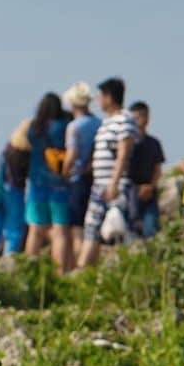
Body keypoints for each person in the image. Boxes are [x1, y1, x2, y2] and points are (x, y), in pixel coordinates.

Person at [78, 78, 138, 269]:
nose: (98, 99)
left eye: (101, 95)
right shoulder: (105, 123)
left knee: (118, 231)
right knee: (91, 230)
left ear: (109, 97)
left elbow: (124, 152)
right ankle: (83, 272)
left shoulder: (125, 120)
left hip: (115, 186)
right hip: (99, 185)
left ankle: (122, 273)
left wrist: (114, 182)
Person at [24, 92, 72, 271]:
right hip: (59, 185)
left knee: (35, 230)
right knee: (60, 231)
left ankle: (28, 268)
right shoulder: (64, 126)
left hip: (37, 185)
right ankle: (58, 272)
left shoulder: (34, 128)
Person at [62, 81, 100, 262]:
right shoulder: (99, 123)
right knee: (90, 228)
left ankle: (76, 267)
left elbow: (72, 154)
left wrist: (63, 173)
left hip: (76, 179)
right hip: (94, 177)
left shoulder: (74, 127)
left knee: (76, 228)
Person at [0, 126, 31, 256]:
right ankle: (9, 258)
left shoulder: (7, 149)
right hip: (14, 192)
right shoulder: (26, 154)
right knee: (14, 229)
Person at [128, 101, 165, 239]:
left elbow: (158, 168)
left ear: (147, 118)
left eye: (140, 116)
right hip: (130, 191)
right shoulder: (127, 142)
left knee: (151, 231)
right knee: (131, 231)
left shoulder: (154, 143)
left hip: (150, 192)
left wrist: (150, 186)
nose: (137, 121)